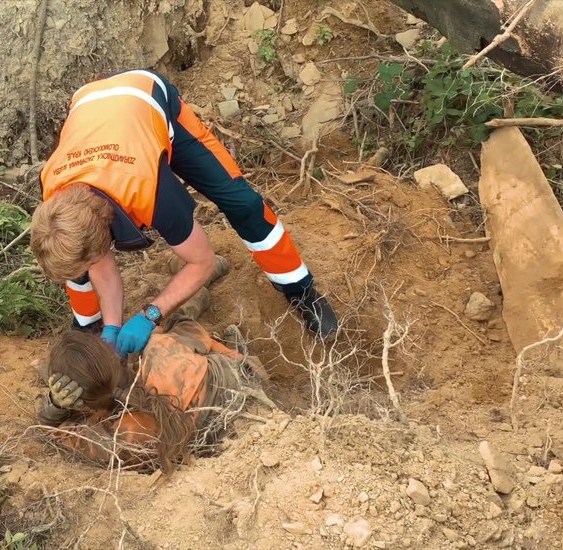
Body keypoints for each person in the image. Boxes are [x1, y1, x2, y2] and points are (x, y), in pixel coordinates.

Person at [30, 69, 338, 358]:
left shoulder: (149, 190)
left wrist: (151, 314)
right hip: (93, 107)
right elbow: (96, 261)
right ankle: (90, 329)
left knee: (243, 204)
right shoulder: (55, 194)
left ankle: (301, 290)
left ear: (104, 236)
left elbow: (202, 261)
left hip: (148, 96)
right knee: (76, 264)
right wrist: (111, 327)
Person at [35, 266, 273, 472]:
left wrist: (55, 405)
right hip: (249, 384)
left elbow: (54, 431)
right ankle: (207, 278)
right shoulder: (159, 351)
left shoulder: (121, 436)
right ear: (112, 356)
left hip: (227, 433)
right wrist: (155, 332)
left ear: (84, 406)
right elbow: (191, 330)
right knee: (180, 321)